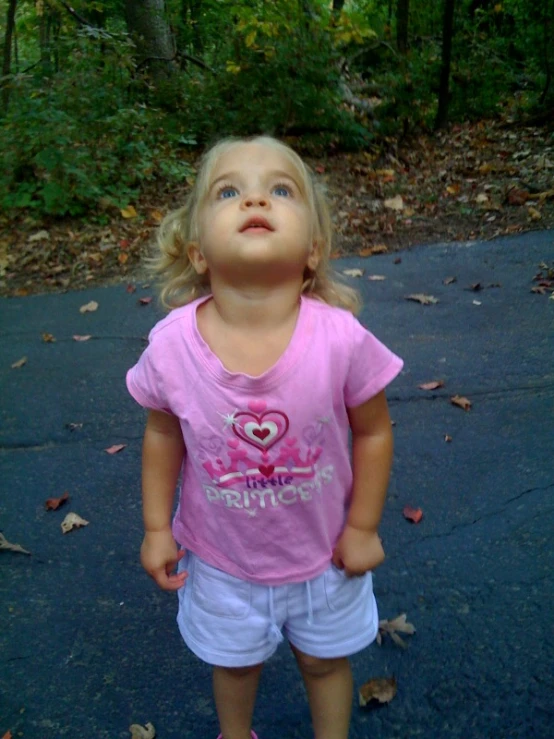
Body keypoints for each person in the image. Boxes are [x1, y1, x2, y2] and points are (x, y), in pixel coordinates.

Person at [126, 135, 403, 739]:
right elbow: (162, 433)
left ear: (313, 249)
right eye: (229, 191)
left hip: (326, 555)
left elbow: (374, 431)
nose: (255, 197)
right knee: (234, 664)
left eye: (281, 189)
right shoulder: (172, 348)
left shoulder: (341, 340)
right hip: (225, 561)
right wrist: (155, 527)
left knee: (326, 662)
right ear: (197, 252)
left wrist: (362, 526)